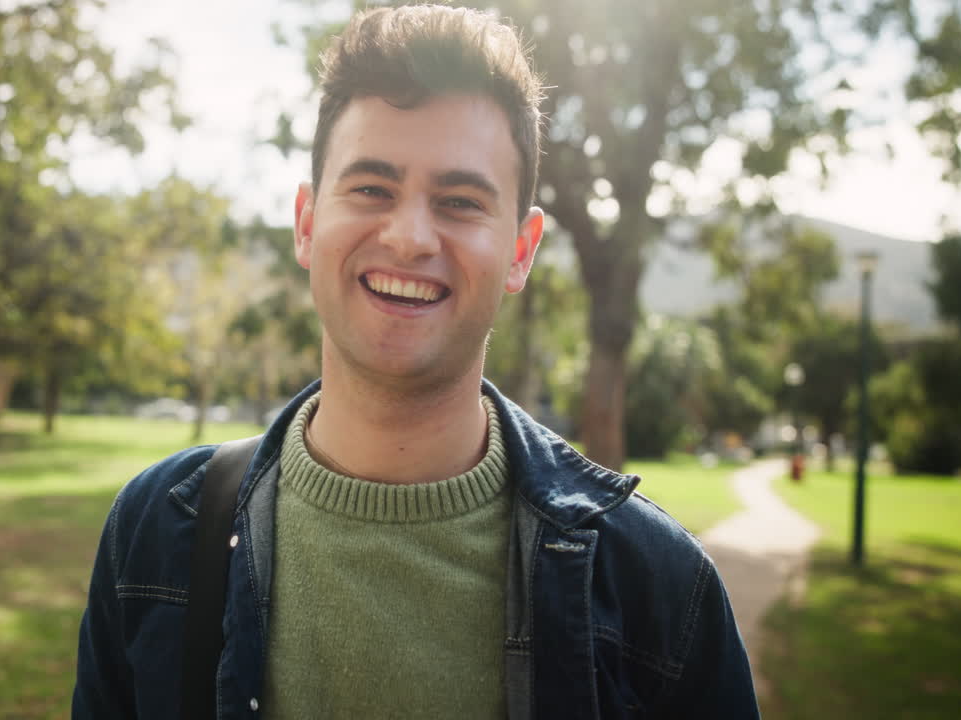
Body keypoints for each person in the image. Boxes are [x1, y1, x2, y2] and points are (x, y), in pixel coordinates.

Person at [72, 5, 760, 719]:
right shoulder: (154, 536)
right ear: (307, 224)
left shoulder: (660, 590)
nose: (408, 238)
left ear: (521, 251)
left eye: (460, 202)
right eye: (372, 188)